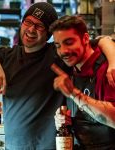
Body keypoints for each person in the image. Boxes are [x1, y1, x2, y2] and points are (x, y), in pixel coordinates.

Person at [0, 2, 115, 150]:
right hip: (13, 147)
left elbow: (102, 41)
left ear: (48, 34)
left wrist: (113, 62)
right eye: (28, 22)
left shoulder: (58, 54)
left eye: (39, 26)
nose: (31, 29)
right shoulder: (6, 56)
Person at [49, 15, 115, 149]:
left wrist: (74, 94)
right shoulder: (71, 69)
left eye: (69, 42)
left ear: (85, 39)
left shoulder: (107, 69)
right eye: (58, 45)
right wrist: (66, 120)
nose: (63, 51)